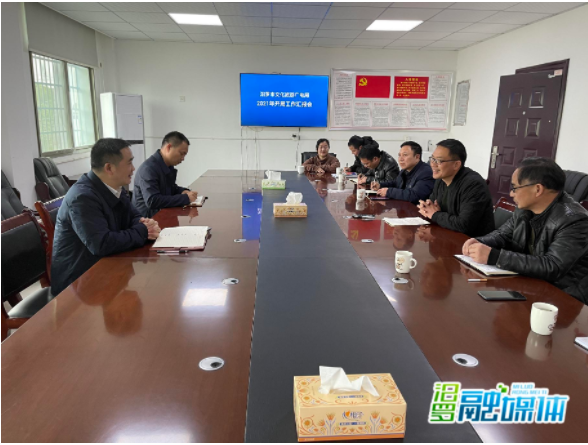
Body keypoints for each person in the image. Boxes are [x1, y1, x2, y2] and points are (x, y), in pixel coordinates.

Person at [463, 157, 588, 305]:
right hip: (529, 282)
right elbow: (503, 234)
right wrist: (479, 242)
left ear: (537, 189)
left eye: (515, 188)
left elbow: (553, 266)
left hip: (561, 297)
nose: (511, 194)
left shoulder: (575, 220)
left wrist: (495, 257)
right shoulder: (524, 209)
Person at [51, 138, 160, 296]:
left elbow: (134, 217)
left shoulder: (116, 188)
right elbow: (102, 244)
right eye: (129, 163)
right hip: (77, 287)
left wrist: (143, 224)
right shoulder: (82, 198)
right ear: (109, 168)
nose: (133, 168)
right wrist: (143, 231)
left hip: (104, 269)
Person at [418, 139, 494, 237]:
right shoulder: (441, 179)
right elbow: (432, 207)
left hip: (473, 242)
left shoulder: (473, 184)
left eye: (439, 161)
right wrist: (426, 208)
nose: (432, 164)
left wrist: (435, 215)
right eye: (432, 159)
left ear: (456, 165)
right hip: (447, 235)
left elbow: (464, 225)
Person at [132, 131, 198, 217]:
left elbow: (170, 189)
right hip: (148, 219)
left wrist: (182, 191)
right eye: (181, 153)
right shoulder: (149, 169)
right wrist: (185, 198)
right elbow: (152, 200)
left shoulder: (168, 166)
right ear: (169, 147)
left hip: (162, 215)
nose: (183, 158)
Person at [370, 141, 435, 204]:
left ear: (417, 157)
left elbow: (415, 195)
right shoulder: (405, 170)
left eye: (405, 155)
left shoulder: (426, 172)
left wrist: (389, 192)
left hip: (417, 209)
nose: (400, 159)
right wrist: (380, 185)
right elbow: (396, 183)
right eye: (399, 155)